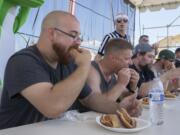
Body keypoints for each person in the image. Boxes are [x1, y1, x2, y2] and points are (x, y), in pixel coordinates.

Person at [0, 11, 140, 130]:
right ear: (52, 34)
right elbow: (53, 107)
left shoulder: (67, 62)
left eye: (79, 37)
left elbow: (90, 99)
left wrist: (120, 109)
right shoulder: (23, 61)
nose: (78, 42)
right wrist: (85, 65)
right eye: (73, 35)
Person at [87, 39, 141, 116]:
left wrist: (133, 86)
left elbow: (125, 99)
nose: (131, 62)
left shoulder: (114, 74)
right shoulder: (91, 70)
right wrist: (121, 84)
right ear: (112, 58)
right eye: (127, 58)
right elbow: (99, 105)